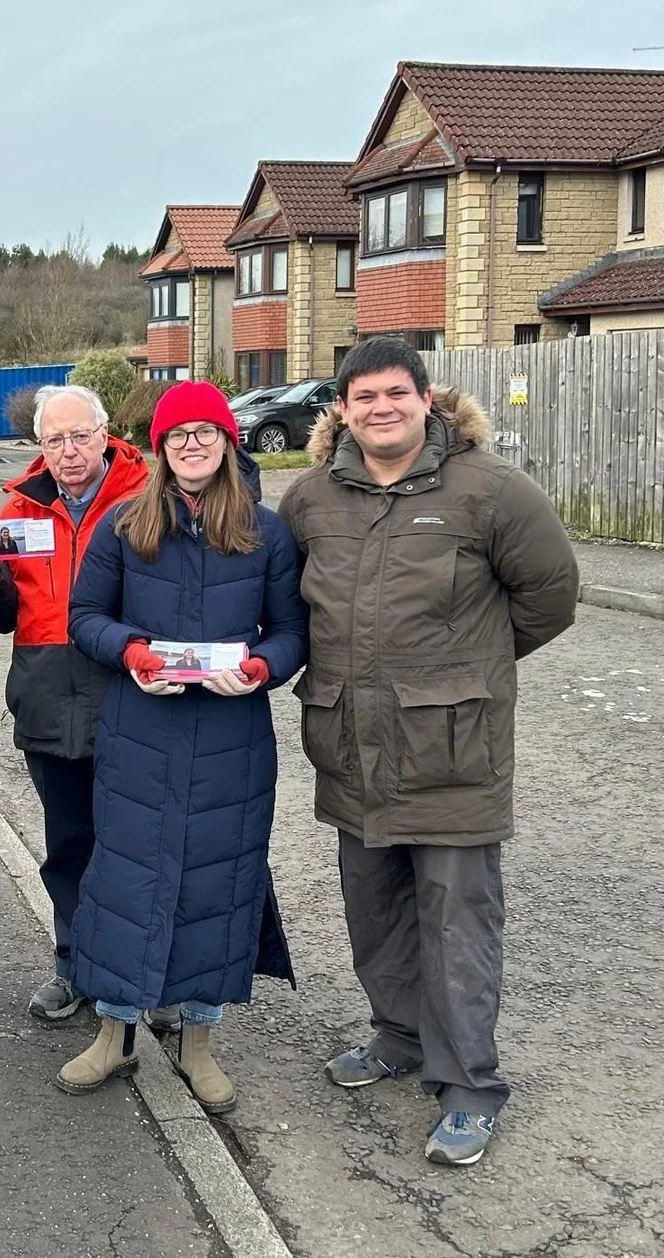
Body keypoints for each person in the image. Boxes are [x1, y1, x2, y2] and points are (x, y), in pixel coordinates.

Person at [278, 336, 578, 1167]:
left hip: (452, 752)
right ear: (341, 409)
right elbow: (287, 605)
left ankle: (470, 1085)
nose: (380, 409)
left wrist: (463, 671)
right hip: (350, 747)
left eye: (395, 394)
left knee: (458, 919)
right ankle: (397, 1036)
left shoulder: (490, 491)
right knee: (373, 907)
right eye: (363, 396)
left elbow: (550, 597)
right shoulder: (310, 501)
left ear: (424, 398)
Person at [62, 381, 307, 1111]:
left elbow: (292, 632)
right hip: (142, 731)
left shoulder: (267, 532)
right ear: (159, 450)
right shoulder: (121, 527)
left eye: (205, 432)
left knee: (217, 885)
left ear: (228, 443)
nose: (191, 445)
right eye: (177, 436)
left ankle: (199, 1041)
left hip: (231, 738)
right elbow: (84, 617)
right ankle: (113, 1034)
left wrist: (264, 668)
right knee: (123, 880)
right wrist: (132, 652)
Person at [0, 386, 149, 1022]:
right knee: (68, 845)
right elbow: (3, 615)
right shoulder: (18, 509)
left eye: (80, 437)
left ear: (105, 435)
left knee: (136, 846)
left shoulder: (147, 498)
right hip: (46, 694)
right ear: (39, 447)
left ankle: (145, 975)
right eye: (54, 441)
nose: (68, 452)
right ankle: (73, 964)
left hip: (130, 693)